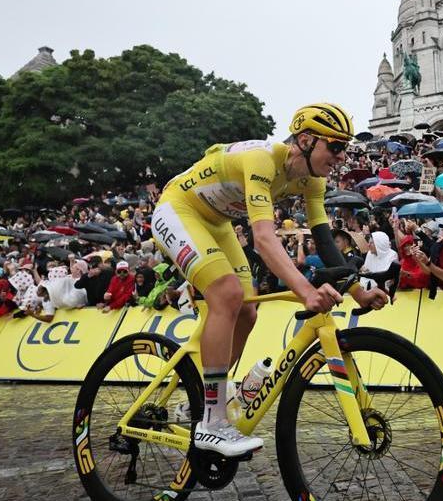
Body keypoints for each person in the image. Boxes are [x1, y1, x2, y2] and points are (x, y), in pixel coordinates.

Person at [150, 103, 387, 456]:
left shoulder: (313, 180)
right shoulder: (263, 159)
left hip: (217, 223)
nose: (342, 156)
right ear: (305, 140)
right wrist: (305, 292)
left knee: (247, 311)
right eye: (335, 146)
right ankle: (212, 423)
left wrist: (357, 289)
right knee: (227, 294)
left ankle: (203, 397)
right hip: (177, 209)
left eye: (345, 148)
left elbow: (324, 240)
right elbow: (262, 239)